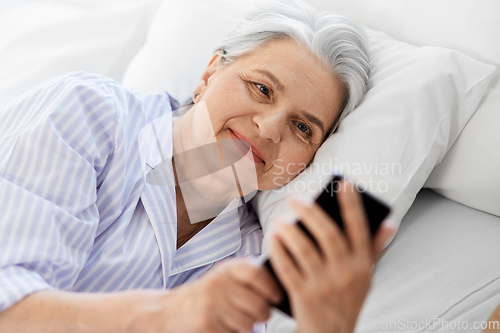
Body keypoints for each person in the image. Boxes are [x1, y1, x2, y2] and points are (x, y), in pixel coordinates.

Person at [0, 0, 394, 332]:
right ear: (208, 75)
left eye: (303, 127)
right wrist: (166, 315)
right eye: (262, 88)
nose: (270, 128)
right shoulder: (87, 113)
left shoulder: (253, 259)